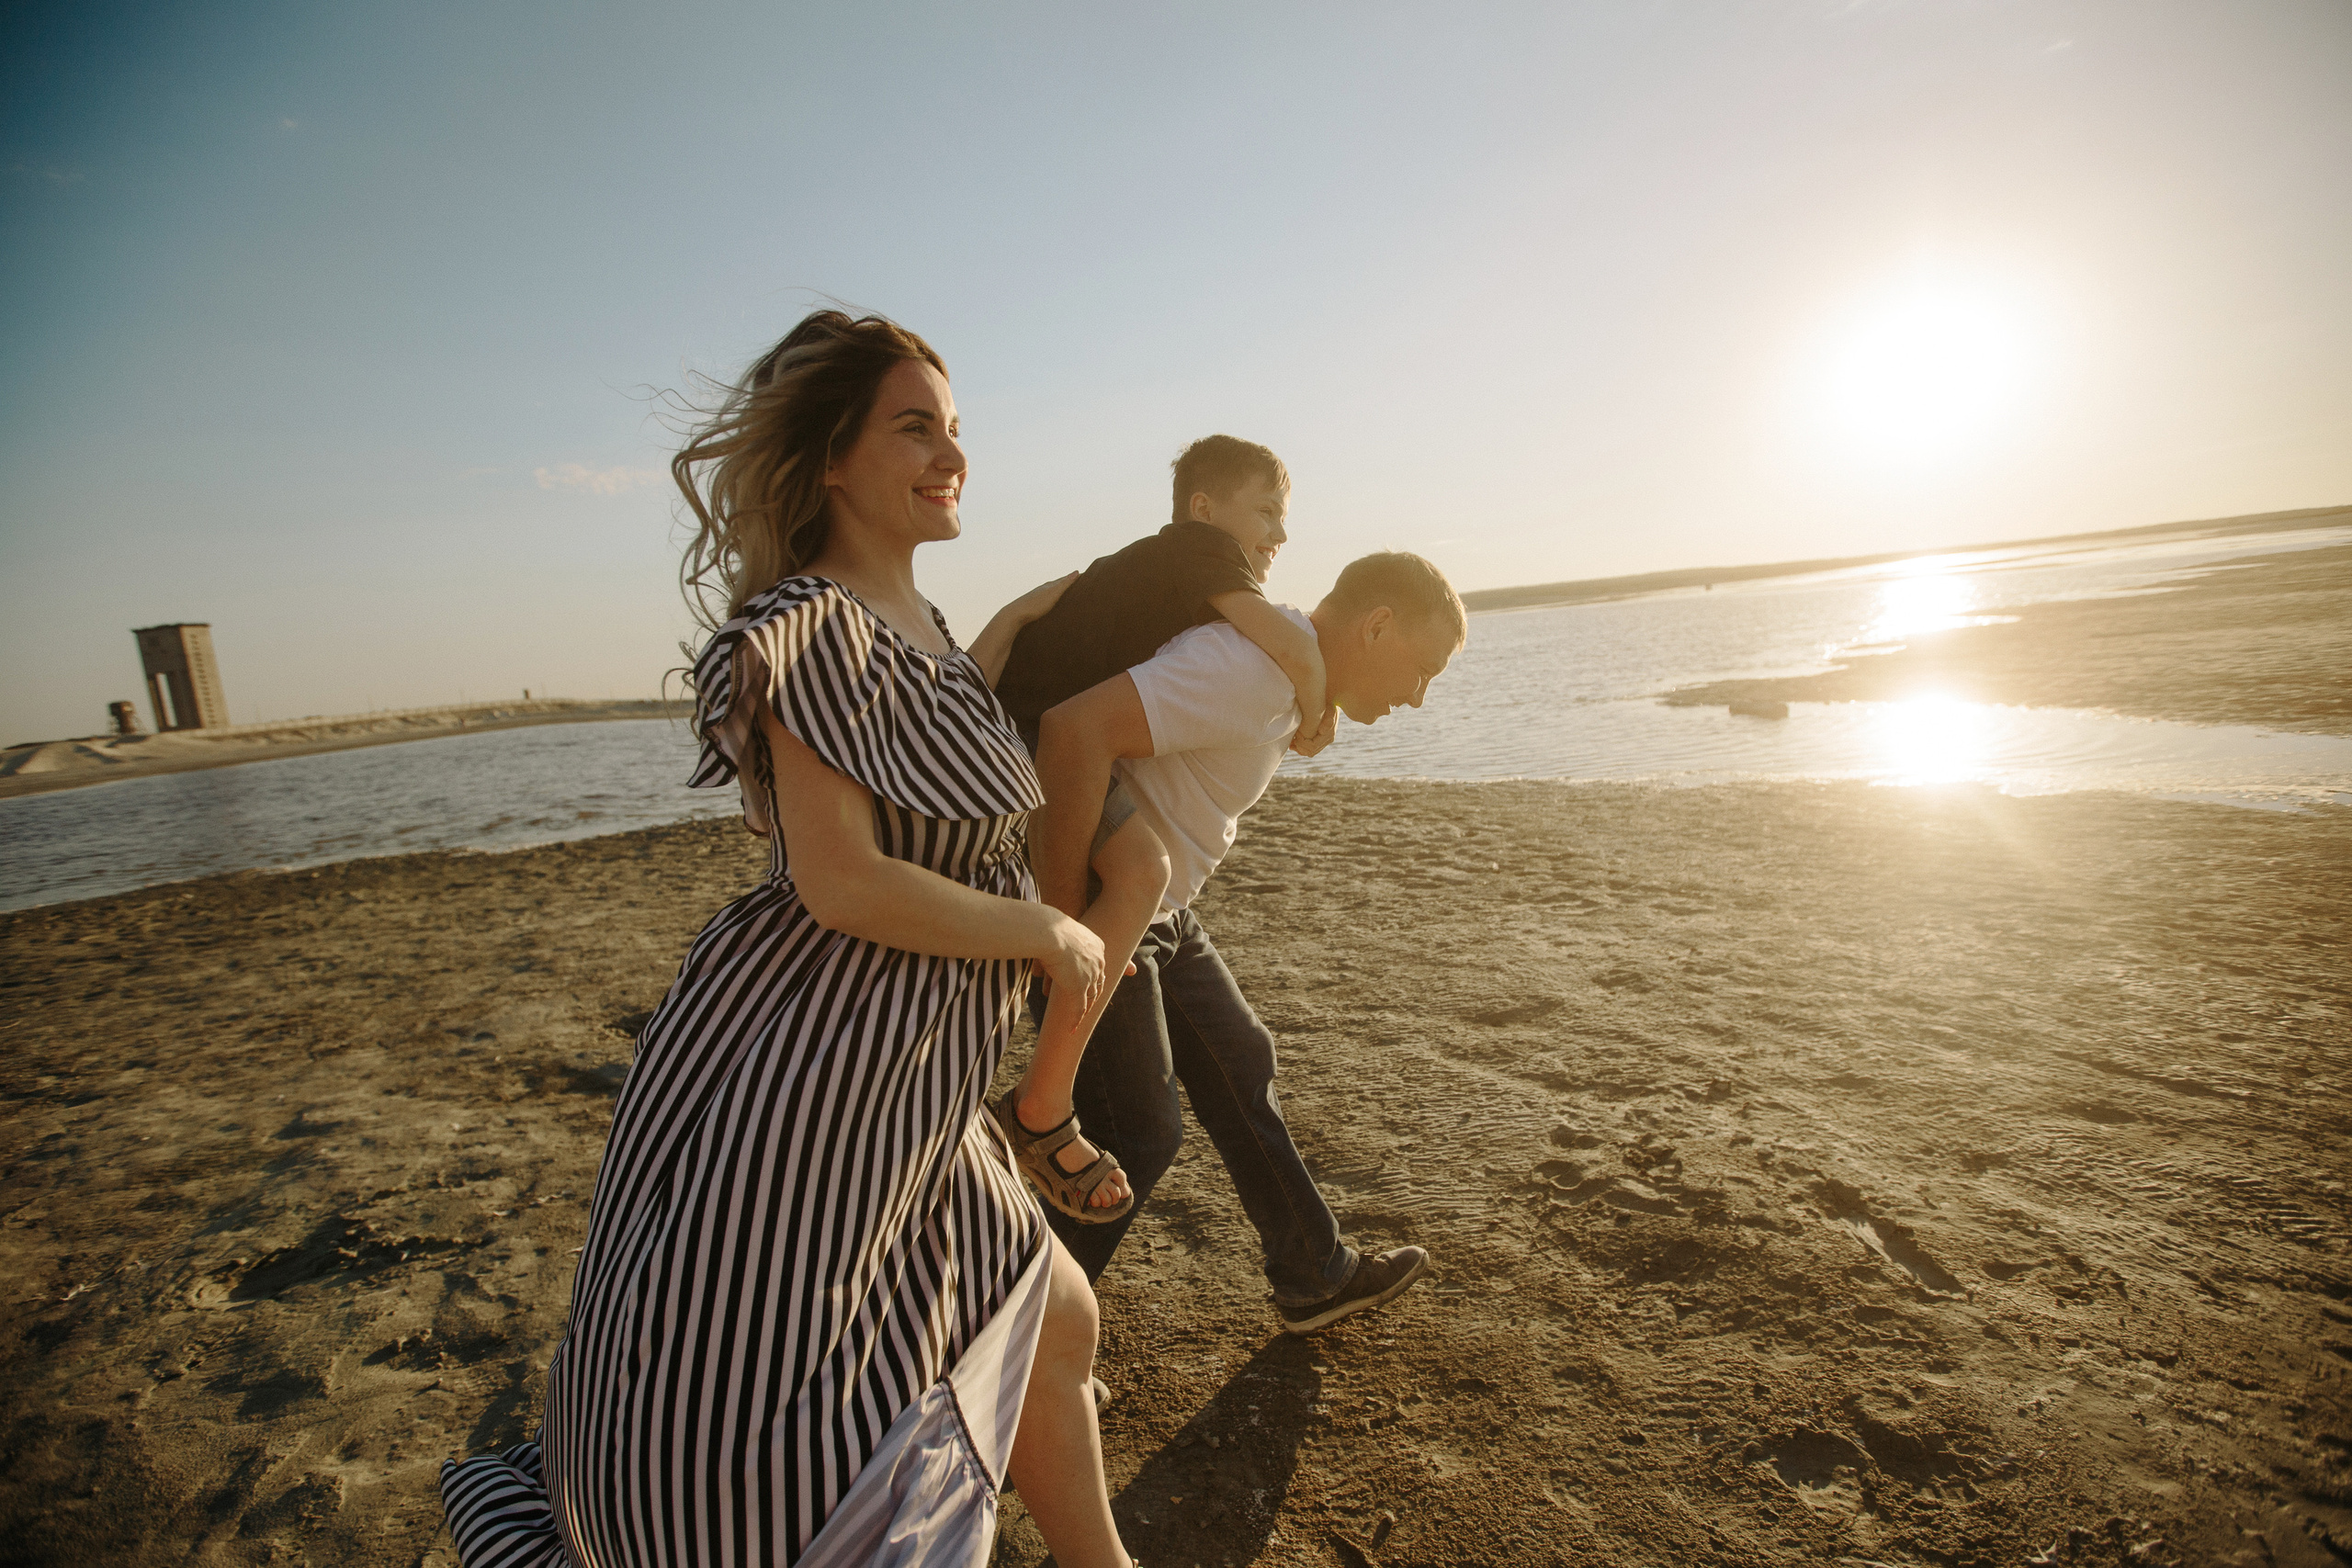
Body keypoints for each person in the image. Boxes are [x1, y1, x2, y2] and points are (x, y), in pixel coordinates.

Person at [438, 310, 1132, 1568]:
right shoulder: (806, 621)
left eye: (958, 428)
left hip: (912, 1077)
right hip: (824, 1058)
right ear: (830, 459)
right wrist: (1050, 930)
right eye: (914, 426)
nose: (951, 452)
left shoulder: (921, 630)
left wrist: (1014, 630)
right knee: (760, 1365)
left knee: (1058, 1314)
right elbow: (842, 879)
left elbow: (927, 752)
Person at [1030, 551, 1466, 1333]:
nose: (1419, 697)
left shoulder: (1283, 682)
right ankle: (1012, 1353)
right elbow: (1069, 732)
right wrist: (1061, 926)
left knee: (1240, 1058)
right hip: (1105, 913)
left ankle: (1313, 1269)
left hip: (1163, 913)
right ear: (1377, 625)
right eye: (1423, 670)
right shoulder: (1249, 672)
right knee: (1138, 1132)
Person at [979, 436, 1338, 1227]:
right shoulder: (1200, 551)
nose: (1279, 536)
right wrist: (1318, 708)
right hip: (1029, 736)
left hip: (1027, 724)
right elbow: (1286, 642)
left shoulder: (1174, 569)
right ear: (1205, 509)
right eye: (1268, 512)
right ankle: (1041, 1099)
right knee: (1142, 869)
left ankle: (1312, 1261)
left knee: (1154, 894)